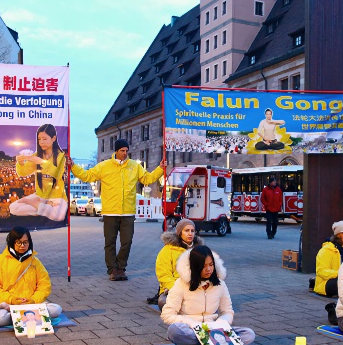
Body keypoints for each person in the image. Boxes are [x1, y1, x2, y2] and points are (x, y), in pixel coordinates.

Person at [68, 139, 165, 281]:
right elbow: (87, 176)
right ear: (116, 151)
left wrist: (161, 168)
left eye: (126, 151)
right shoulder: (104, 166)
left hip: (128, 211)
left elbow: (147, 178)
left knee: (127, 241)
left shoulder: (134, 166)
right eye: (122, 151)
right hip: (110, 211)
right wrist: (73, 166)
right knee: (110, 242)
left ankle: (121, 267)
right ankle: (112, 269)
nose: (125, 153)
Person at [160, 245, 255, 345]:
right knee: (174, 331)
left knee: (248, 334)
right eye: (204, 266)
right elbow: (167, 315)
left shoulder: (220, 285)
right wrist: (191, 323)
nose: (209, 269)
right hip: (191, 330)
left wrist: (220, 324)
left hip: (214, 331)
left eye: (211, 265)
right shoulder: (181, 284)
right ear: (195, 266)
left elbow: (227, 312)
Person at [0, 227, 63, 327]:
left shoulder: (35, 262)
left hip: (31, 304)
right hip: (9, 305)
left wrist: (33, 300)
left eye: (25, 242)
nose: (22, 246)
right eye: (18, 242)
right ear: (12, 242)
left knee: (57, 310)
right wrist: (11, 300)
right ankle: (28, 317)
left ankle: (19, 317)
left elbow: (44, 285)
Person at [11, 124, 68, 221]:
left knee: (59, 216)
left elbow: (57, 173)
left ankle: (36, 205)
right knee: (13, 208)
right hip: (40, 196)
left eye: (44, 139)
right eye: (39, 139)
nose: (41, 142)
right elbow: (23, 173)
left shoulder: (61, 156)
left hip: (57, 197)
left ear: (53, 138)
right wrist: (20, 164)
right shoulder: (36, 155)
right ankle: (44, 207)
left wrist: (41, 162)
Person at [150, 218, 204, 308]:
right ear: (180, 232)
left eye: (192, 231)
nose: (190, 233)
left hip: (195, 289)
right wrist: (179, 290)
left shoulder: (200, 251)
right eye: (186, 230)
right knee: (164, 302)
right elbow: (163, 275)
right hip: (173, 289)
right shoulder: (167, 250)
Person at [316, 221, 343, 300]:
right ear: (337, 235)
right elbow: (321, 271)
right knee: (342, 283)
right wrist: (341, 274)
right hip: (328, 282)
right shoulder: (326, 250)